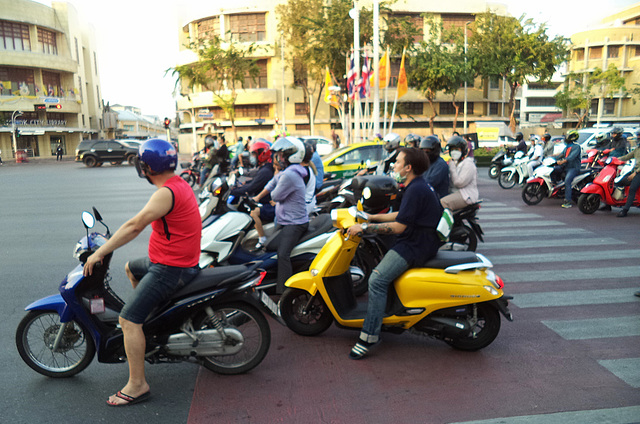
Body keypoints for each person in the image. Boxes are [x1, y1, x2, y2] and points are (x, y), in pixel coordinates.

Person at [83, 139, 201, 407]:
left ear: (147, 167)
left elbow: (135, 226)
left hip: (171, 268)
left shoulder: (165, 193)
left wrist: (100, 252)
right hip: (171, 261)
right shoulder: (180, 183)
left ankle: (137, 385)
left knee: (127, 321)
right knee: (130, 267)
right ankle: (150, 318)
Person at [346, 148, 442, 359]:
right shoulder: (418, 185)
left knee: (377, 280)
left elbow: (400, 227)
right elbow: (404, 215)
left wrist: (365, 229)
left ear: (408, 167)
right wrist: (372, 218)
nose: (394, 166)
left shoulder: (416, 189)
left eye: (398, 162)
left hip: (415, 244)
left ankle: (370, 335)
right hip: (420, 240)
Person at [256, 137, 309, 294]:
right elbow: (272, 183)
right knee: (269, 245)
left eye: (280, 155)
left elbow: (275, 195)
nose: (277, 158)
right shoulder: (288, 172)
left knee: (282, 254)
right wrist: (256, 198)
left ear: (290, 157)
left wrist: (270, 192)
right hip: (286, 221)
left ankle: (284, 291)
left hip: (295, 223)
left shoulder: (290, 175)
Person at [231, 141, 275, 243]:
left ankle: (261, 239)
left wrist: (234, 191)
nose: (252, 157)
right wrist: (243, 185)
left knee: (252, 213)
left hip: (267, 202)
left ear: (262, 154)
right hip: (263, 200)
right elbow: (254, 182)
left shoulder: (265, 171)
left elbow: (252, 188)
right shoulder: (264, 168)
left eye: (254, 154)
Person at [440, 136, 479, 211]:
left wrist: (452, 167)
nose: (454, 152)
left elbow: (459, 183)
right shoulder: (456, 163)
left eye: (457, 149)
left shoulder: (468, 164)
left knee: (443, 202)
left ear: (463, 151)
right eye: (452, 149)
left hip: (466, 195)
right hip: (457, 193)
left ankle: (448, 222)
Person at [551, 129, 582, 208]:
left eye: (568, 136)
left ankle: (568, 201)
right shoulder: (567, 147)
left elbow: (571, 157)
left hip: (573, 168)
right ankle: (555, 185)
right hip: (566, 167)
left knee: (567, 181)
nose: (566, 138)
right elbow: (561, 155)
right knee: (554, 170)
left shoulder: (576, 147)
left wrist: (563, 161)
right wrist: (551, 158)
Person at [616, 145, 640, 217]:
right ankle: (608, 204)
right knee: (618, 181)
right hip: (634, 171)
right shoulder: (637, 149)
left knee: (632, 188)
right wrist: (615, 159)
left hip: (638, 173)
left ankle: (625, 210)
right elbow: (627, 156)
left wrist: (635, 173)